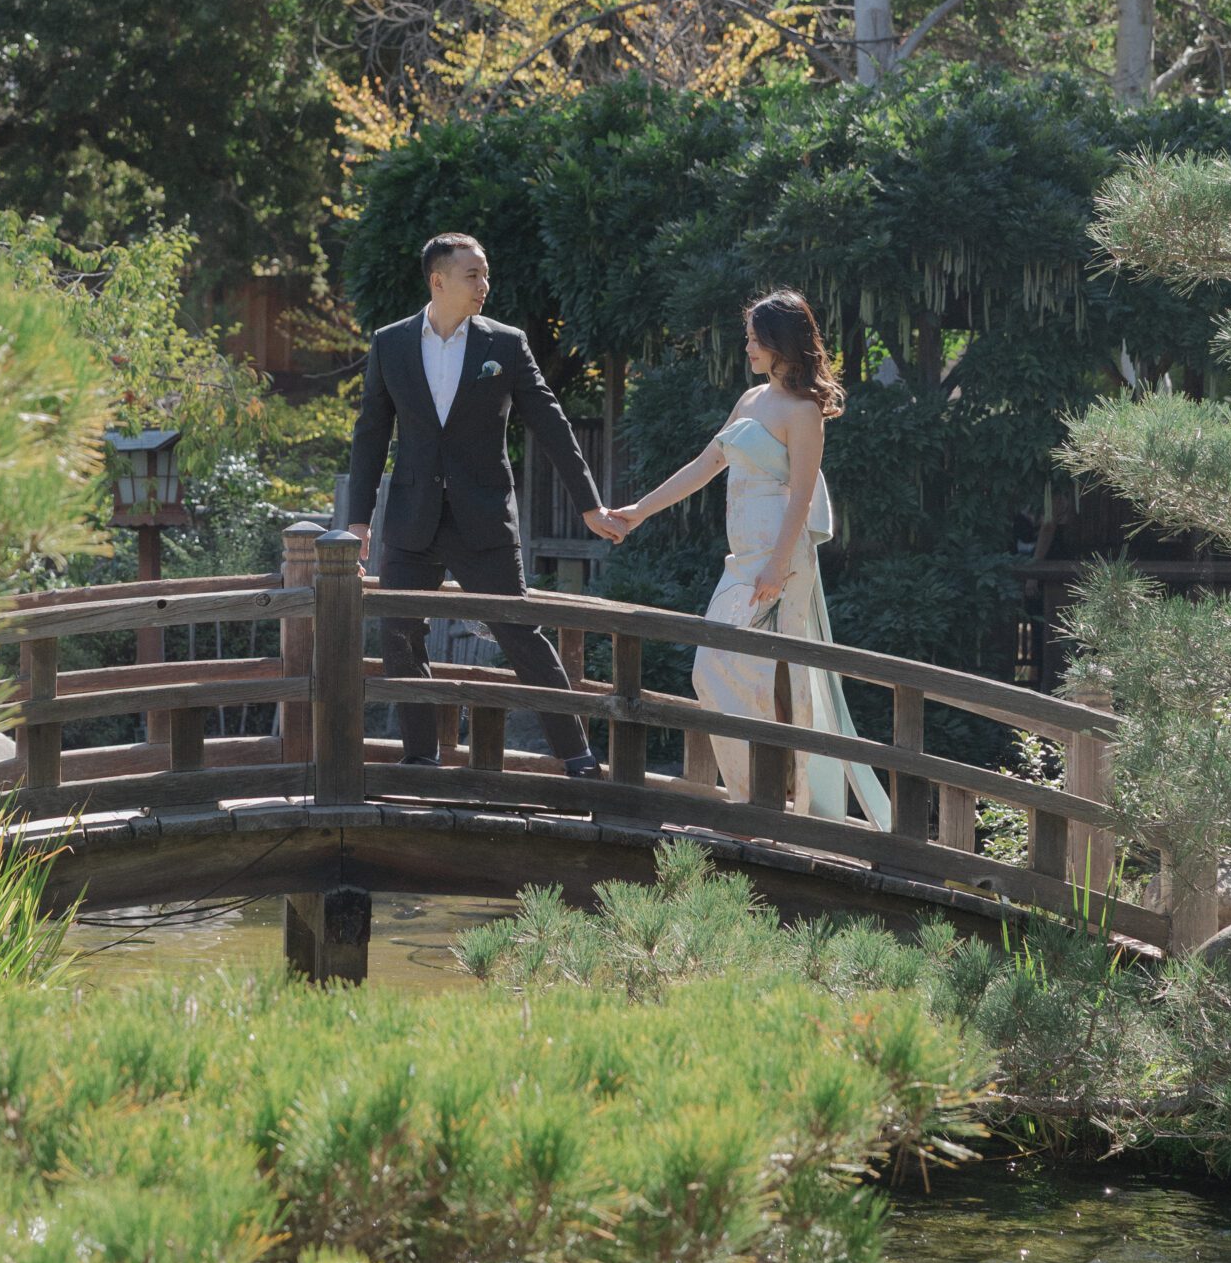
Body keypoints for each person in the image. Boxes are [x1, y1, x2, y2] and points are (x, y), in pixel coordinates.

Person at [605, 287, 891, 827]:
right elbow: (704, 465)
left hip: (780, 559)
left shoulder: (805, 411)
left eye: (757, 339)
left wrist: (778, 563)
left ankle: (781, 806)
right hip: (742, 559)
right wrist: (639, 511)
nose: (749, 347)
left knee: (764, 676)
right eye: (749, 338)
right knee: (713, 672)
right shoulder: (750, 399)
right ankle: (752, 799)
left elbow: (803, 494)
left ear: (784, 341)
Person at [347, 231, 624, 777]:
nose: (484, 285)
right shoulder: (391, 343)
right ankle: (421, 759)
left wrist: (589, 505)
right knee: (401, 637)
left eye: (486, 273)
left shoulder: (505, 343)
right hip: (411, 517)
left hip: (485, 518)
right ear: (438, 280)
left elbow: (551, 424)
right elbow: (370, 433)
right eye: (473, 275)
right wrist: (359, 520)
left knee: (520, 632)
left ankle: (579, 758)